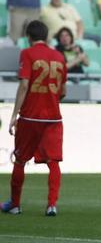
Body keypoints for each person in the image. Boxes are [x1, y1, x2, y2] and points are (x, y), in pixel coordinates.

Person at [2, 21, 65, 216]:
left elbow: (24, 85)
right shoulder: (59, 56)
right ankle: (52, 205)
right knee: (53, 162)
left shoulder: (27, 53)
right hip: (53, 118)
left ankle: (15, 204)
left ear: (28, 36)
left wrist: (14, 114)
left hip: (30, 117)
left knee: (20, 160)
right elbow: (63, 91)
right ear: (46, 36)